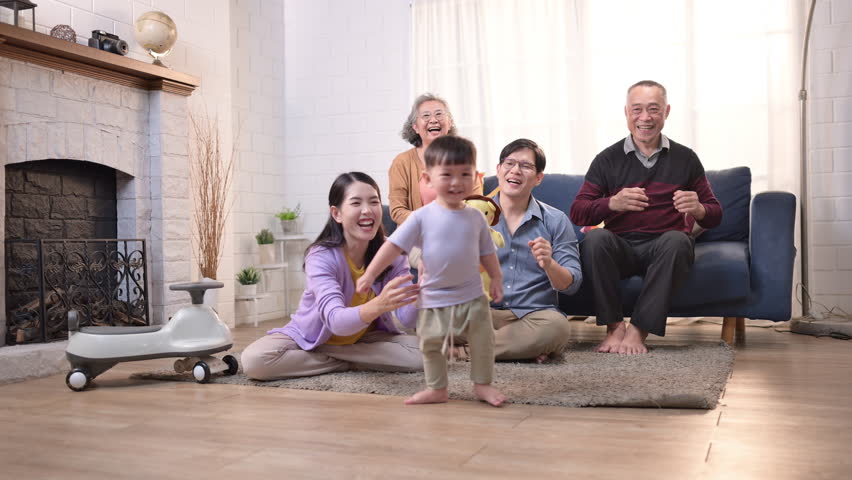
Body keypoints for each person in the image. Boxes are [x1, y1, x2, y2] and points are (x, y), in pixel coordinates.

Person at [569, 80, 722, 355]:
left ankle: (638, 330)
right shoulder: (607, 159)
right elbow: (578, 211)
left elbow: (715, 214)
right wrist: (612, 203)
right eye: (637, 109)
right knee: (595, 239)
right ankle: (615, 327)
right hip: (621, 247)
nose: (645, 117)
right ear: (627, 112)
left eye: (653, 109)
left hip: (664, 248)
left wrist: (699, 209)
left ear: (666, 112)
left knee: (678, 240)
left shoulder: (686, 158)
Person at [357, 135, 506, 407]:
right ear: (428, 179)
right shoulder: (421, 217)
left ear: (475, 177)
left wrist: (496, 277)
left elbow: (487, 252)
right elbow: (392, 246)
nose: (456, 182)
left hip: (473, 297)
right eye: (447, 175)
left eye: (465, 174)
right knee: (430, 344)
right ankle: (437, 388)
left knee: (483, 342)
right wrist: (369, 274)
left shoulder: (475, 217)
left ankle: (483, 384)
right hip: (434, 299)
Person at [241, 172, 422, 380]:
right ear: (337, 214)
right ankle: (355, 360)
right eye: (356, 203)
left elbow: (407, 319)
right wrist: (378, 306)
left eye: (374, 202)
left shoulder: (392, 252)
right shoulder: (321, 256)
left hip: (366, 337)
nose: (367, 210)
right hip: (313, 336)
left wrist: (424, 288)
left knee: (427, 354)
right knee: (255, 361)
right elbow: (335, 321)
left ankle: (332, 359)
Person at [455, 139, 583, 364]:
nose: (515, 170)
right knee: (427, 314)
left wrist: (549, 264)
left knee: (557, 328)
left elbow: (571, 285)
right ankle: (520, 349)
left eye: (525, 166)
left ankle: (461, 352)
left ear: (538, 178)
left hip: (531, 317)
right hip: (478, 312)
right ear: (499, 169)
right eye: (509, 163)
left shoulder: (555, 220)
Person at [388, 93, 483, 227]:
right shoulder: (402, 162)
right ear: (415, 127)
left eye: (439, 114)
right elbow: (397, 210)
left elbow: (478, 204)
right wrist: (432, 223)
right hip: (417, 234)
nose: (433, 120)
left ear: (449, 123)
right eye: (426, 115)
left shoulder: (463, 156)